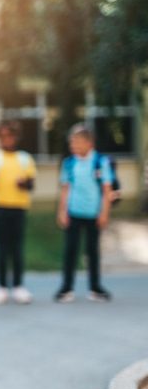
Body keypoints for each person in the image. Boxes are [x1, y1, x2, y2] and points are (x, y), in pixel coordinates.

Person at [0, 120, 36, 305]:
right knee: (1, 248)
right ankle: (1, 287)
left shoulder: (25, 159)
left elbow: (31, 185)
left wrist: (24, 183)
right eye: (2, 136)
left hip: (19, 207)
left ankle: (18, 286)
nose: (6, 139)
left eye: (10, 135)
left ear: (16, 137)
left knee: (17, 248)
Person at [55, 123, 113, 303]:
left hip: (93, 214)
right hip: (74, 212)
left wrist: (104, 213)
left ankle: (95, 288)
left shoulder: (100, 162)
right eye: (72, 143)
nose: (73, 147)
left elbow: (106, 190)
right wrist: (62, 211)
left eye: (77, 143)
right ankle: (67, 288)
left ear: (89, 143)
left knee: (92, 252)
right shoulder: (69, 163)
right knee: (70, 251)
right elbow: (65, 189)